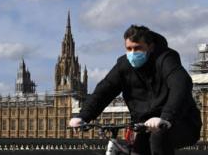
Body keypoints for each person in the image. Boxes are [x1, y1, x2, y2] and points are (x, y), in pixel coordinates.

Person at [68, 25, 202, 155]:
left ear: (150, 46)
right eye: (129, 49)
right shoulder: (124, 65)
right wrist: (83, 116)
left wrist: (166, 117)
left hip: (180, 122)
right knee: (138, 150)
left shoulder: (165, 58)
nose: (132, 53)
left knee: (158, 137)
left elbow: (181, 84)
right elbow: (104, 90)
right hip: (145, 127)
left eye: (137, 48)